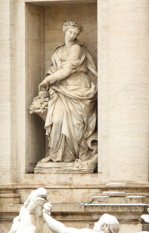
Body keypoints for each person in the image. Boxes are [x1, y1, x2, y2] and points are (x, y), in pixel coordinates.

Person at [38, 21, 97, 163]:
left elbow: (67, 70)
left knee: (76, 126)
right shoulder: (58, 50)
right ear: (64, 30)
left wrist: (47, 80)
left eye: (75, 33)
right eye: (70, 32)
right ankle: (55, 154)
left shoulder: (76, 48)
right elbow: (54, 69)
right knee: (57, 120)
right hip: (61, 89)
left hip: (78, 88)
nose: (72, 35)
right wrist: (49, 80)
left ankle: (74, 155)